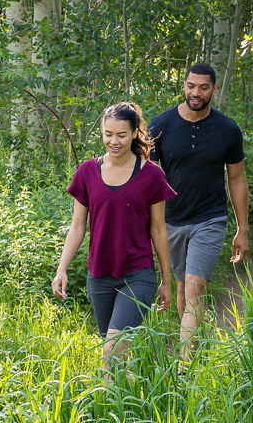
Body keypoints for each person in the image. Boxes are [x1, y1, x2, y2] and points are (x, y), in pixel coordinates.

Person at [52, 102, 176, 376]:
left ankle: (116, 411)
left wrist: (166, 281)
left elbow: (158, 230)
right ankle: (123, 409)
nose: (114, 141)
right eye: (108, 134)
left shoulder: (152, 175)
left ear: (134, 133)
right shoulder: (87, 172)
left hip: (138, 275)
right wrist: (61, 270)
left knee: (113, 349)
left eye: (121, 134)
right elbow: (77, 227)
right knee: (114, 353)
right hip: (99, 275)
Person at [149, 63, 248, 360]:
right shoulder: (160, 125)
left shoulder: (228, 130)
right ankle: (191, 343)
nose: (196, 92)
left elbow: (237, 178)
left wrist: (243, 229)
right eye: (191, 86)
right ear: (184, 85)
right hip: (171, 221)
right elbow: (150, 180)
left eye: (204, 87)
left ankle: (185, 364)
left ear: (214, 89)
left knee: (195, 285)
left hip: (210, 218)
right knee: (181, 286)